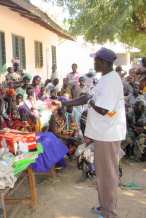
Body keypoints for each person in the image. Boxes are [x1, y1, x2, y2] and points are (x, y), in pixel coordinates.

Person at [63, 47, 126, 218]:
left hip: (108, 134)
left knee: (107, 175)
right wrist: (67, 102)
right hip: (103, 133)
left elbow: (103, 109)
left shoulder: (112, 81)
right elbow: (87, 97)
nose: (94, 63)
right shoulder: (104, 79)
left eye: (96, 61)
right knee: (103, 174)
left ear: (105, 63)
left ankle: (109, 212)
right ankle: (104, 206)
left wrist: (90, 104)